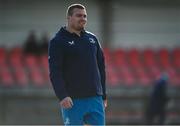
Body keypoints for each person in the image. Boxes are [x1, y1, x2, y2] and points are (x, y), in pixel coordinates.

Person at [48, 4, 107, 125]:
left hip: (95, 99)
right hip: (73, 100)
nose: (83, 18)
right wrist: (62, 95)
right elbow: (55, 72)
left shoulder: (92, 39)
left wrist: (103, 94)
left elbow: (101, 67)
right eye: (79, 15)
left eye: (85, 16)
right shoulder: (57, 41)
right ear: (69, 17)